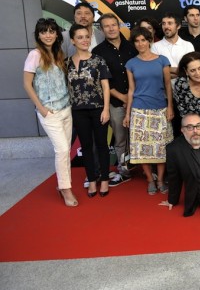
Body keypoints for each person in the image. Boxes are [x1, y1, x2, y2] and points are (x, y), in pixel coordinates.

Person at [23, 18, 77, 207]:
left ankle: (64, 184)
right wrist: (41, 108)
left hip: (65, 108)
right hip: (50, 111)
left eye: (51, 31)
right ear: (38, 35)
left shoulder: (58, 53)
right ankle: (65, 188)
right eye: (44, 32)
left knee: (65, 151)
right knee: (61, 149)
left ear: (57, 34)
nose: (48, 35)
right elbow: (27, 84)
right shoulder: (34, 55)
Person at [123, 27, 174, 196]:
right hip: (139, 110)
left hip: (160, 109)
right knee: (141, 148)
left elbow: (168, 85)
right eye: (137, 41)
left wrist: (170, 107)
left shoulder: (162, 60)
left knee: (161, 148)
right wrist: (128, 114)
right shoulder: (130, 63)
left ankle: (160, 180)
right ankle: (150, 180)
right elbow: (131, 89)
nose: (140, 44)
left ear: (149, 41)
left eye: (143, 40)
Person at [92, 13, 138, 187]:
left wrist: (132, 98)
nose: (111, 28)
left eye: (113, 25)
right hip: (115, 103)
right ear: (102, 29)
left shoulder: (133, 47)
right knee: (120, 139)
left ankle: (145, 168)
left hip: (138, 101)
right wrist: (122, 97)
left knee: (140, 136)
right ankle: (124, 171)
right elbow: (101, 82)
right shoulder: (97, 53)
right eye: (107, 26)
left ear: (119, 26)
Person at [66, 23, 111, 198]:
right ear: (72, 40)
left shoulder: (98, 60)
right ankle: (92, 180)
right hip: (77, 111)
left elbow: (105, 87)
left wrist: (106, 109)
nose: (84, 40)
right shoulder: (67, 63)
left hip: (98, 108)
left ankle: (105, 179)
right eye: (80, 37)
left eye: (87, 37)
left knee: (101, 145)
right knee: (86, 146)